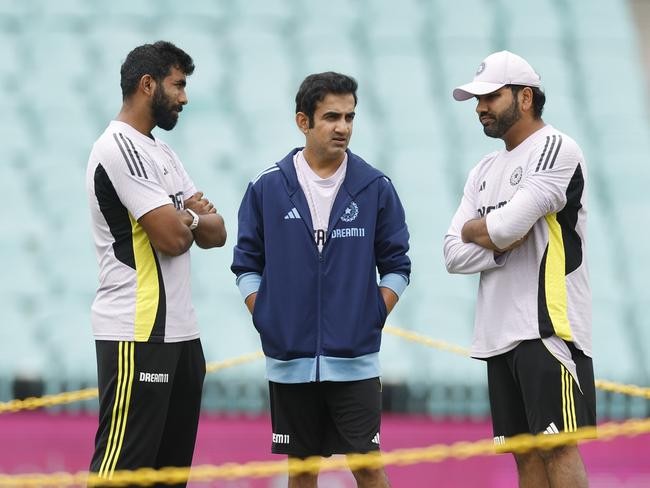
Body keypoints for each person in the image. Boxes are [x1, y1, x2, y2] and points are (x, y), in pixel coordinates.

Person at [231, 72, 410, 488]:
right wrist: (268, 317)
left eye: (350, 117)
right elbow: (245, 265)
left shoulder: (375, 187)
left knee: (367, 467)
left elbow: (398, 265)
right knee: (302, 470)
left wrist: (370, 315)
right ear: (303, 121)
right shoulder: (267, 187)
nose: (343, 127)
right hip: (289, 362)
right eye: (331, 117)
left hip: (356, 363)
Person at [444, 50, 596, 487]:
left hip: (546, 327)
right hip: (497, 334)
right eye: (477, 99)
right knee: (525, 458)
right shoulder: (484, 168)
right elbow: (453, 254)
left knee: (557, 447)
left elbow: (508, 226)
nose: (480, 109)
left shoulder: (555, 147)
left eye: (490, 96)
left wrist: (484, 230)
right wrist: (494, 240)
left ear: (525, 97)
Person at [85, 41, 227, 485]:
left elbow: (217, 232)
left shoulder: (161, 152)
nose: (184, 97)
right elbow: (172, 239)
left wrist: (183, 215)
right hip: (137, 332)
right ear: (148, 85)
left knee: (168, 478)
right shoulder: (119, 148)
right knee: (121, 474)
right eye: (178, 85)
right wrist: (188, 212)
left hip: (182, 337)